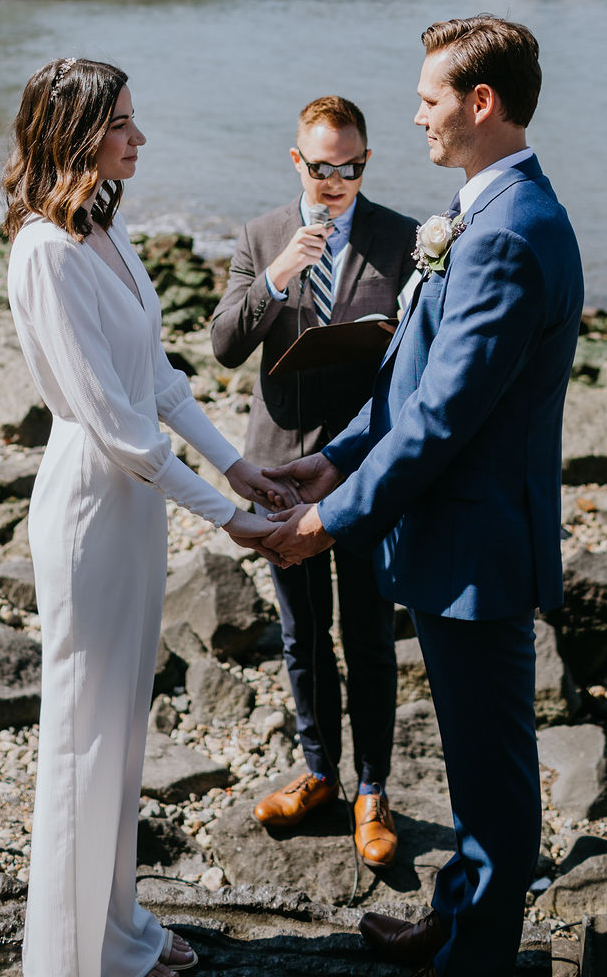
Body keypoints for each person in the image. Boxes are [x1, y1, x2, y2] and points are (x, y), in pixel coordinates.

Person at [260, 17, 583, 977]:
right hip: (454, 540)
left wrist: (329, 519)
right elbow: (411, 383)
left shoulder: (510, 235)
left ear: (481, 103)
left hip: (478, 548)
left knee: (492, 765)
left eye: (430, 99)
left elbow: (443, 419)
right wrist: (333, 461)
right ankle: (457, 918)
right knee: (473, 759)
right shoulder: (482, 214)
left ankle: (475, 958)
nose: (417, 116)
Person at [3, 57, 285, 977]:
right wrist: (227, 518)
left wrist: (241, 467)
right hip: (91, 504)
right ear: (78, 135)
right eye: (122, 123)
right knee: (82, 736)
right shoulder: (45, 251)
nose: (140, 136)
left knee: (121, 736)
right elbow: (119, 430)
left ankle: (115, 932)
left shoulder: (102, 232)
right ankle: (71, 957)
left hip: (131, 505)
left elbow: (158, 383)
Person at [210, 96, 417, 864]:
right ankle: (319, 772)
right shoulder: (261, 235)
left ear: (366, 162)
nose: (338, 181)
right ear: (298, 161)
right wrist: (277, 276)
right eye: (324, 167)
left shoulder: (402, 238)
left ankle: (374, 790)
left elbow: (418, 360)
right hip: (278, 471)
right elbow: (226, 346)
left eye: (353, 167)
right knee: (302, 637)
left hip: (365, 471)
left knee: (368, 636)